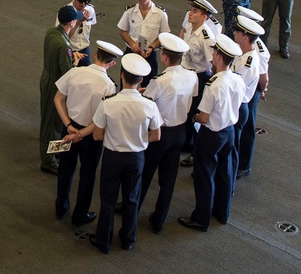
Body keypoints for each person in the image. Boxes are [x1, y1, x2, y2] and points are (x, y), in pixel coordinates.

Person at [87, 53, 161, 254]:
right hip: (136, 157)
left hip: (113, 155)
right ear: (141, 80)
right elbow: (156, 135)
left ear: (121, 76)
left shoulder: (108, 102)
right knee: (132, 199)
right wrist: (137, 140)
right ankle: (128, 238)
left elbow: (96, 135)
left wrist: (115, 137)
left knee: (108, 200)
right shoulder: (149, 105)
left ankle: (104, 241)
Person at [178, 34, 246, 232]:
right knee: (224, 173)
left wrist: (194, 118)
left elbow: (205, 117)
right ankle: (222, 212)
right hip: (229, 131)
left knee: (204, 175)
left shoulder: (213, 84)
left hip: (212, 134)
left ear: (218, 57)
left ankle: (201, 218)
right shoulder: (237, 79)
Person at [53, 40, 121, 226]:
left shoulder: (75, 72)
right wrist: (81, 134)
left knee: (65, 168)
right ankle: (80, 214)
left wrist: (68, 125)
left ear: (95, 55)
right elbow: (101, 118)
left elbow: (58, 99)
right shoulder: (109, 86)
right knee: (87, 175)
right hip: (90, 135)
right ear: (112, 63)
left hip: (69, 128)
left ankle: (61, 206)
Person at [140, 33, 196, 233]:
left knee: (145, 173)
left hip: (160, 132)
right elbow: (191, 96)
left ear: (164, 56)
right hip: (180, 131)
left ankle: (134, 208)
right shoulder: (191, 75)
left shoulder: (160, 80)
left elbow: (146, 103)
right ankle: (159, 219)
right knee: (168, 179)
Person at [39, 5, 86, 174]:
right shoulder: (64, 45)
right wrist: (74, 61)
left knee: (48, 119)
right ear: (72, 22)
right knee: (52, 124)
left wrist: (70, 53)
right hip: (56, 85)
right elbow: (68, 73)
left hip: (47, 78)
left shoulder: (52, 32)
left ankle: (51, 154)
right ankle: (48, 160)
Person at [179, 0, 219, 168]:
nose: (190, 14)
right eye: (190, 10)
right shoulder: (190, 27)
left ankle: (196, 151)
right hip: (185, 74)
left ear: (204, 17)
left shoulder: (206, 36)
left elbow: (214, 63)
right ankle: (187, 144)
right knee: (184, 111)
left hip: (198, 78)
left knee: (194, 116)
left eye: (195, 12)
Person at [231, 15, 267, 180]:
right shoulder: (245, 49)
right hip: (246, 90)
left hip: (250, 93)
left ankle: (243, 165)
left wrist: (262, 91)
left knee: (247, 129)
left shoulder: (258, 49)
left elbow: (263, 75)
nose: (234, 32)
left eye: (238, 29)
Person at [117, 0, 170, 87]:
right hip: (131, 51)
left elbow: (164, 35)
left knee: (149, 87)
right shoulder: (130, 11)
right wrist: (132, 43)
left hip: (149, 54)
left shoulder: (160, 14)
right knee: (126, 85)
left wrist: (151, 47)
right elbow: (122, 31)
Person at [68, 0, 97, 67]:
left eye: (87, 2)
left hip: (84, 50)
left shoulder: (90, 10)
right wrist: (78, 22)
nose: (83, 5)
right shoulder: (65, 13)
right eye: (81, 1)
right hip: (70, 51)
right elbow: (63, 37)